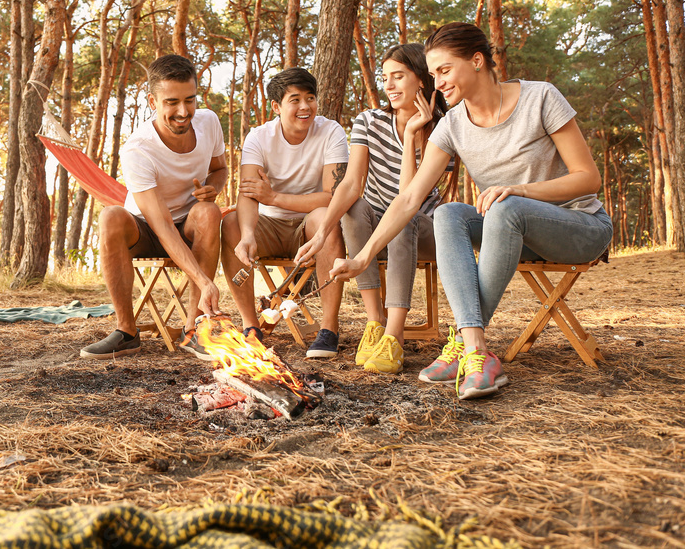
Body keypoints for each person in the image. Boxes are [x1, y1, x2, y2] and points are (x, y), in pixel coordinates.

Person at [317, 22, 612, 399]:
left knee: (505, 207)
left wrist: (520, 190)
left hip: (579, 226)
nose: (436, 82)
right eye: (433, 73)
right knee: (448, 213)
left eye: (444, 71)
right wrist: (363, 256)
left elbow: (589, 179)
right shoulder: (453, 124)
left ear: (476, 61)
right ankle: (475, 348)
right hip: (513, 233)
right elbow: (409, 198)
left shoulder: (540, 98)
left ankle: (467, 345)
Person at [297, 44, 456, 373]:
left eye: (398, 77)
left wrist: (411, 135)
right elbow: (351, 184)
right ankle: (375, 323)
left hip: (423, 226)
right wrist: (322, 233)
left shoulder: (445, 127)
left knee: (403, 221)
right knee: (354, 206)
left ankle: (394, 337)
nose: (389, 85)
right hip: (372, 227)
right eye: (386, 78)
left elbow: (407, 198)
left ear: (422, 81)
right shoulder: (368, 121)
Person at [80, 54, 227, 360]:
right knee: (111, 216)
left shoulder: (209, 122)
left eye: (190, 100)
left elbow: (219, 168)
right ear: (152, 101)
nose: (183, 111)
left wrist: (215, 186)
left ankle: (193, 329)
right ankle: (126, 332)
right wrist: (204, 280)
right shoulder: (138, 149)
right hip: (147, 228)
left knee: (210, 212)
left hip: (190, 223)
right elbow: (161, 226)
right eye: (171, 102)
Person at [220, 68, 349, 358]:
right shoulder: (258, 138)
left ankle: (328, 328)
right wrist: (249, 234)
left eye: (310, 98)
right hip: (269, 225)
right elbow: (249, 193)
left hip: (309, 227)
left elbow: (333, 196)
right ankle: (251, 327)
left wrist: (275, 196)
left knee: (324, 219)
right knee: (231, 224)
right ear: (277, 107)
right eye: (295, 99)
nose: (305, 106)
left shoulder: (331, 132)